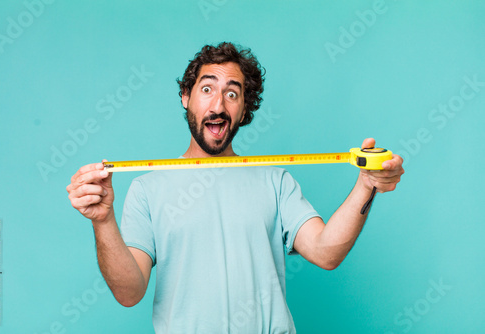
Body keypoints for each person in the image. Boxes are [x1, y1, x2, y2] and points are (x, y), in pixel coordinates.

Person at [67, 42, 404, 333]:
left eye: (232, 93)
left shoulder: (275, 181)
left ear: (244, 110)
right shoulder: (147, 189)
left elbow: (326, 252)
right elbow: (130, 292)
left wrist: (367, 185)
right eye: (207, 88)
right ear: (186, 97)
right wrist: (103, 220)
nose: (218, 105)